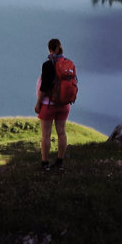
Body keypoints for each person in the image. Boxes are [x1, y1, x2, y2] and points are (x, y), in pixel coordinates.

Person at [36, 37, 73, 170]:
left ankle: (45, 164)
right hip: (64, 105)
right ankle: (60, 162)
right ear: (60, 48)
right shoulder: (68, 63)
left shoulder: (48, 65)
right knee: (61, 132)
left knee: (46, 134)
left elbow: (44, 87)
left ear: (50, 49)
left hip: (48, 104)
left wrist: (38, 103)